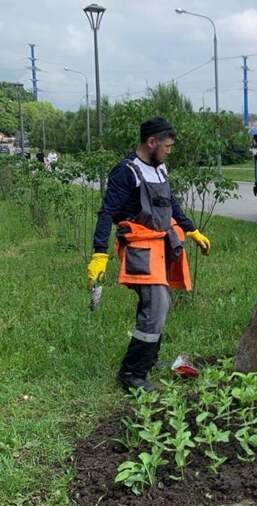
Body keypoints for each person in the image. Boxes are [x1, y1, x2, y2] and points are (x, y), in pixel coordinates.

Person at [86, 116, 211, 391]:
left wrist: (191, 230)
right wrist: (99, 253)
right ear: (151, 142)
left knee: (158, 302)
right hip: (140, 249)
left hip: (162, 246)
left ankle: (149, 359)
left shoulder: (160, 168)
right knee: (156, 305)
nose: (169, 151)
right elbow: (107, 211)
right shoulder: (127, 171)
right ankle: (132, 373)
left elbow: (171, 203)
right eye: (166, 146)